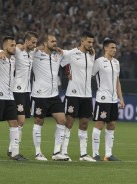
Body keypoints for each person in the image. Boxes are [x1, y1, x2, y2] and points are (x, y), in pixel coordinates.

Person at [0, 36, 27, 161]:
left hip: (10, 96)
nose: (14, 47)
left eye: (15, 45)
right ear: (5, 47)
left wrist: (21, 46)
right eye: (11, 45)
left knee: (14, 124)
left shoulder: (13, 60)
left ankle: (15, 153)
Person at [31, 34, 68, 161]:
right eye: (52, 41)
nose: (55, 43)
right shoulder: (35, 55)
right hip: (39, 95)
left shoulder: (58, 55)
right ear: (45, 43)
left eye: (56, 41)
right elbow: (20, 49)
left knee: (62, 120)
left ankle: (57, 152)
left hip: (54, 95)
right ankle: (38, 153)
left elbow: (73, 55)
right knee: (39, 121)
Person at [60, 30, 96, 161]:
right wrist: (66, 73)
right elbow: (59, 58)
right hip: (73, 93)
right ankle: (63, 152)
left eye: (92, 42)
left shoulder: (92, 54)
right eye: (88, 42)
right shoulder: (71, 53)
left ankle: (83, 154)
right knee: (69, 122)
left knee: (85, 123)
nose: (91, 44)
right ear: (82, 41)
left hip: (87, 95)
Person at [91, 39, 124, 161]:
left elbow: (117, 81)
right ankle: (95, 153)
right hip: (102, 98)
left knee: (111, 125)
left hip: (113, 99)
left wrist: (121, 98)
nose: (114, 50)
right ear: (105, 48)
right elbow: (90, 75)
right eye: (112, 48)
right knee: (99, 124)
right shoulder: (99, 62)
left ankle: (108, 154)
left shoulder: (116, 63)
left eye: (115, 48)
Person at [7, 31, 38, 156]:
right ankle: (14, 150)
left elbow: (41, 48)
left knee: (21, 122)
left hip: (27, 91)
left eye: (36, 42)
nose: (35, 45)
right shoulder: (18, 50)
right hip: (17, 89)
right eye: (33, 42)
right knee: (20, 120)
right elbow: (4, 50)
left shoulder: (32, 53)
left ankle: (12, 149)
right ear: (26, 41)